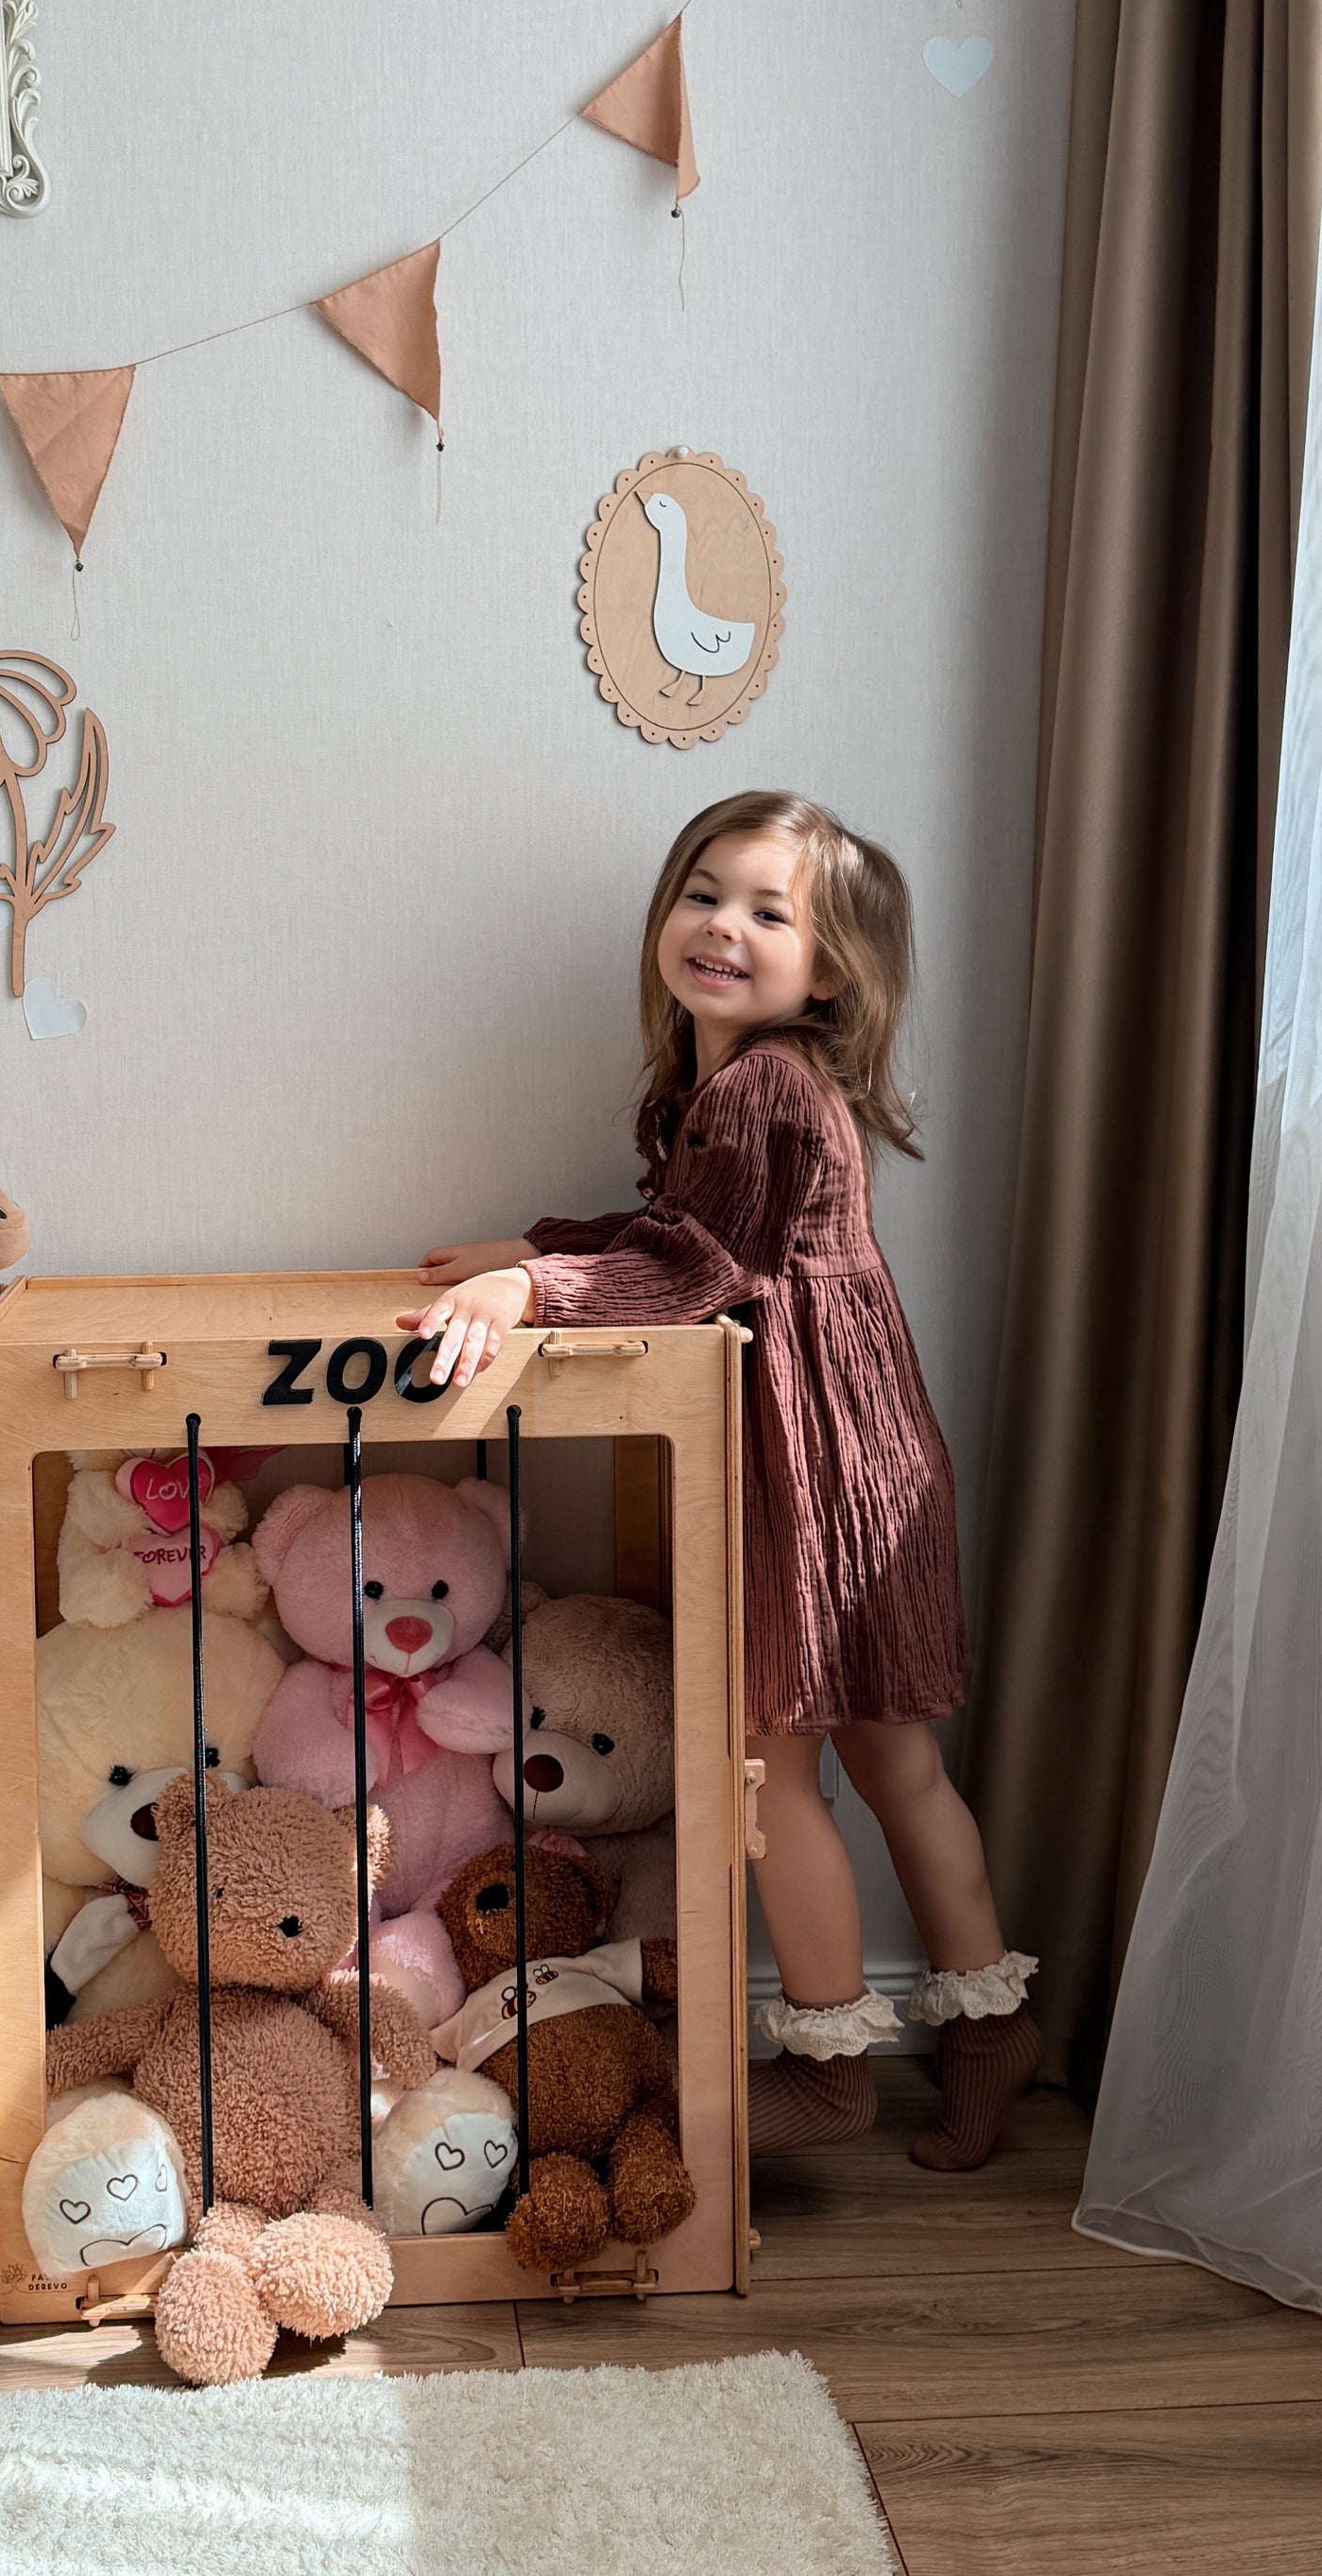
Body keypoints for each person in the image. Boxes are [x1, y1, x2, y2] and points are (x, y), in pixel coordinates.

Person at [401, 791, 1039, 2167]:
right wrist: (538, 1242)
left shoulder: (762, 1085)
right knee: (896, 1761)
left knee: (771, 1768)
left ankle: (827, 2056)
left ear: (833, 969)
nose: (723, 927)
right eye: (704, 891)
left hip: (816, 1465)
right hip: (867, 1448)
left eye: (769, 911)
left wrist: (534, 1282)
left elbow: (692, 1271)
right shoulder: (740, 1087)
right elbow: (684, 1230)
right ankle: (989, 2031)